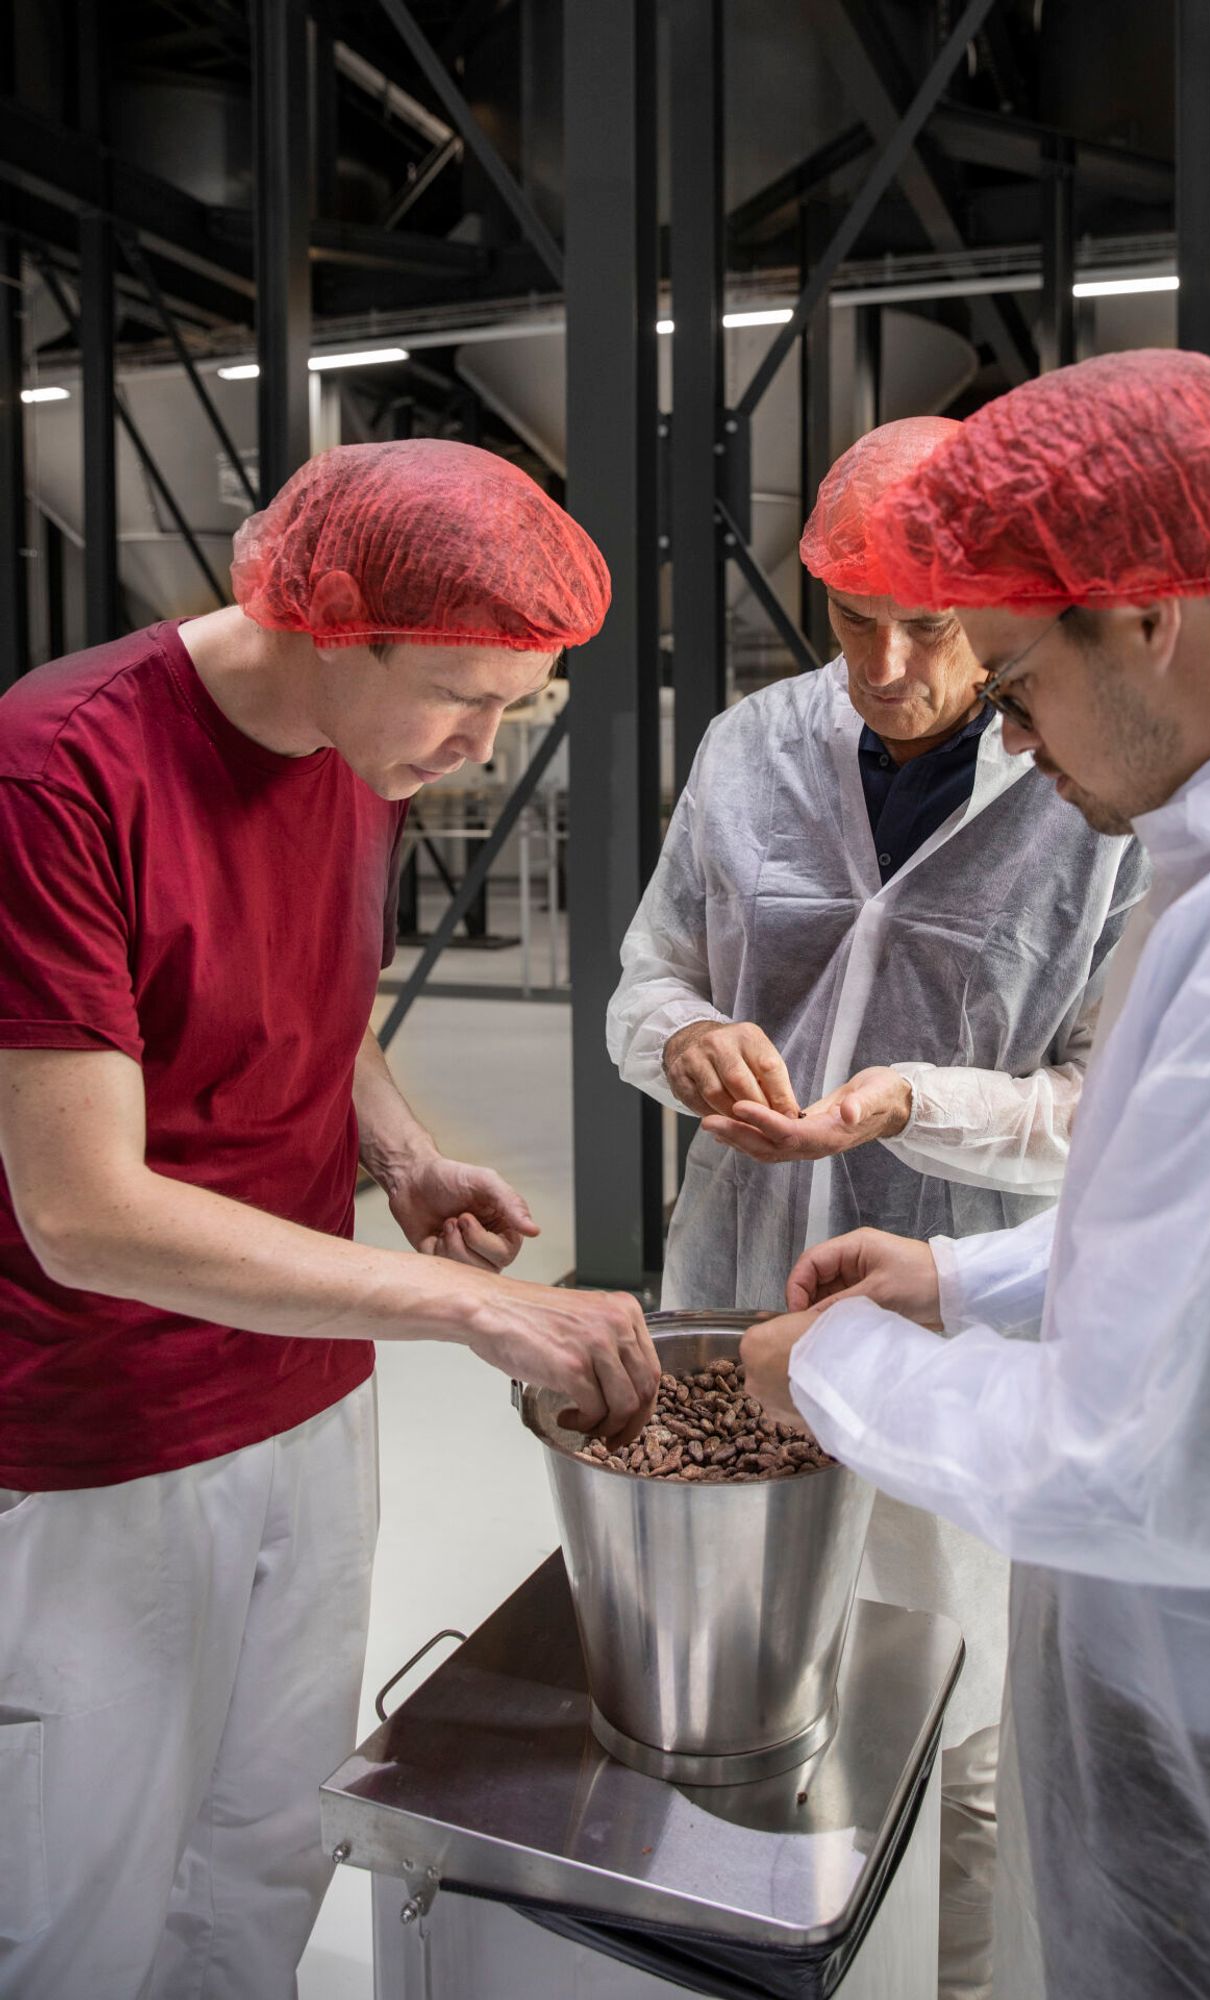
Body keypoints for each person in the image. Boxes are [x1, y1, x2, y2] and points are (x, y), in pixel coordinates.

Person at [742, 349, 1210, 1999]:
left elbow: (1145, 1469)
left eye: (1014, 680)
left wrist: (840, 1371)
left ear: (1147, 613)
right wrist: (956, 1282)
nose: (1011, 732)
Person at [0, 440, 659, 2000]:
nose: (485, 747)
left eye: (516, 705)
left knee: (266, 1845)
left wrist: (402, 1149)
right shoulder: (56, 770)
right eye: (460, 697)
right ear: (320, 623)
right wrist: (472, 1310)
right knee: (82, 1881)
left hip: (310, 1390)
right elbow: (82, 1213)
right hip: (113, 1429)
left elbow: (302, 984)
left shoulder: (363, 749)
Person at [607, 417, 1146, 2000]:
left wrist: (912, 1101)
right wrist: (682, 1044)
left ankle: (957, 1982)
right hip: (733, 1290)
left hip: (945, 1314)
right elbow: (649, 977)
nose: (891, 664)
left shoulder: (1085, 788)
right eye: (854, 619)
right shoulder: (747, 749)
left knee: (953, 1718)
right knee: (731, 1692)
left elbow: (1091, 1117)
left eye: (935, 624)